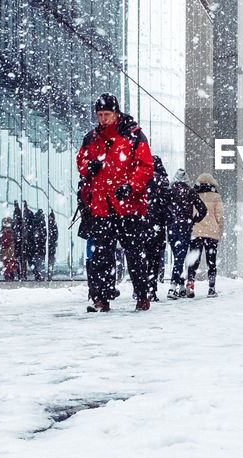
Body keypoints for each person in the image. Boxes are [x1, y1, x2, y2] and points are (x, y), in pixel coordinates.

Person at [76, 93, 155, 311]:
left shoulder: (133, 136)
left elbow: (145, 166)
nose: (103, 119)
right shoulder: (91, 138)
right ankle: (101, 298)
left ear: (116, 113)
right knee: (101, 254)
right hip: (101, 205)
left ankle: (141, 295)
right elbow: (81, 161)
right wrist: (88, 168)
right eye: (100, 115)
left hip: (128, 205)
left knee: (134, 253)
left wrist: (130, 185)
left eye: (107, 115)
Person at [162, 168, 205, 298]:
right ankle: (173, 287)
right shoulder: (190, 192)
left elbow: (163, 207)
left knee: (177, 257)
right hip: (185, 228)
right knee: (180, 258)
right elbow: (203, 209)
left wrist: (168, 219)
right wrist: (193, 220)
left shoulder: (169, 191)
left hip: (172, 228)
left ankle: (180, 286)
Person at [186, 173, 224, 297]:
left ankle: (190, 286)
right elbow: (220, 217)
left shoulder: (194, 195)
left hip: (196, 232)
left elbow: (191, 214)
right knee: (211, 262)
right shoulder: (216, 197)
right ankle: (211, 288)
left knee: (194, 261)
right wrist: (220, 232)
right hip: (212, 233)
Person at [144, 155, 171, 300]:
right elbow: (166, 202)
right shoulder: (162, 181)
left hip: (142, 223)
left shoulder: (142, 178)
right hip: (157, 225)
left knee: (142, 257)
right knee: (155, 259)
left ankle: (140, 288)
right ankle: (151, 289)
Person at [0, 217, 18, 281]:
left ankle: (9, 274)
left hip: (9, 251)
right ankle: (9, 274)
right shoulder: (6, 232)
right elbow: (3, 242)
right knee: (9, 264)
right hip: (8, 251)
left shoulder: (6, 232)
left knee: (9, 264)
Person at [46, 209, 57, 279]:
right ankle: (50, 273)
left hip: (50, 246)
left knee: (50, 259)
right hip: (51, 246)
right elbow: (56, 235)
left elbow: (55, 235)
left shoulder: (51, 225)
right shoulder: (52, 225)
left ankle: (50, 273)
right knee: (51, 259)